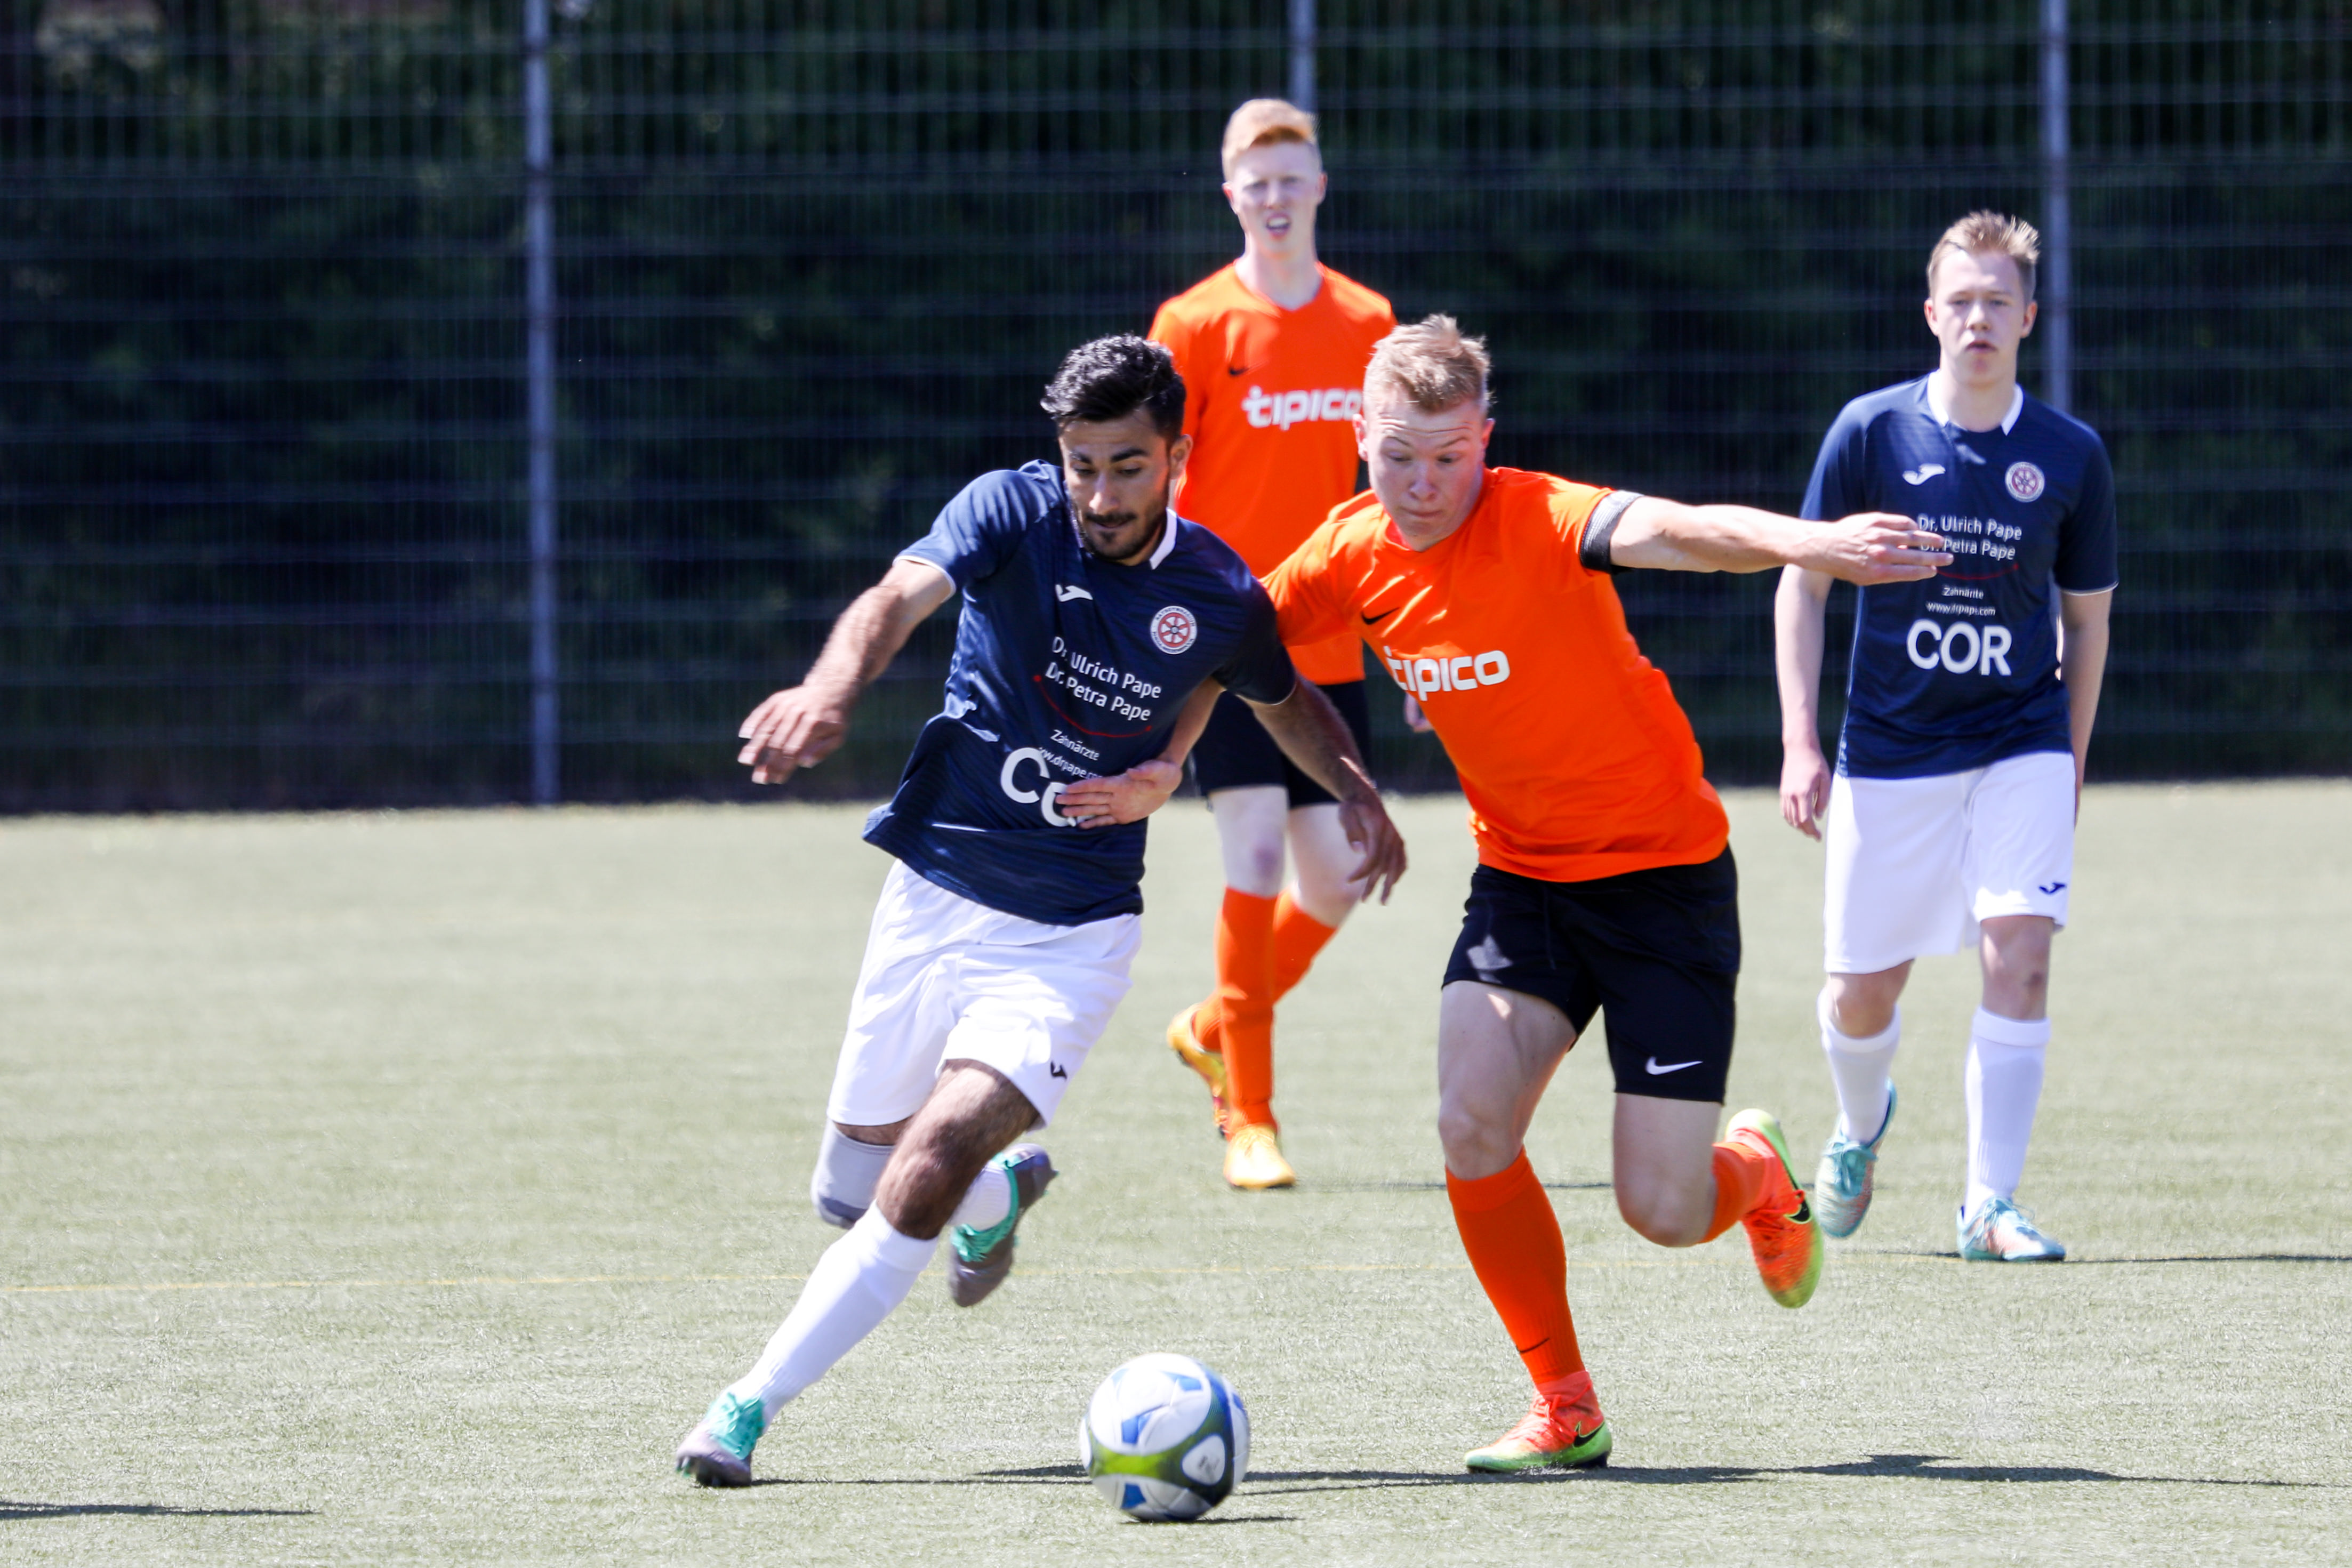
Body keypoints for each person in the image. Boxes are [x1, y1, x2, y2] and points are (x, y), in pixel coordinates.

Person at [673, 336, 1406, 1487]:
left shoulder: (1218, 593)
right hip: (932, 893)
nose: (1101, 496)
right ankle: (996, 1194)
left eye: (1128, 467)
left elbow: (1281, 695)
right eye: (1083, 465)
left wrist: (1358, 791)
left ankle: (744, 1407)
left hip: (1069, 933)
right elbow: (895, 597)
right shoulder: (1009, 513)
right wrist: (828, 688)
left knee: (925, 1160)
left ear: (1177, 457)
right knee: (849, 1194)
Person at [1261, 315, 1949, 1471]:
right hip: (1522, 882)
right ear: (1360, 439)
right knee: (1469, 1121)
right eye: (1399, 455)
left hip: (1663, 884)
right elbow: (1228, 644)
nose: (1423, 483)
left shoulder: (1542, 516)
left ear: (1486, 439)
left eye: (1448, 456)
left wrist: (1813, 543)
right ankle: (1566, 1403)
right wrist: (1315, 777)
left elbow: (1681, 532)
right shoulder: (1346, 552)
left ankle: (1755, 1172)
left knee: (1664, 1211)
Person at [1775, 211, 2116, 1264]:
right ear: (1931, 314)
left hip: (2020, 740)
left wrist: (2070, 758)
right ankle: (1859, 1122)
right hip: (1890, 750)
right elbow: (1801, 586)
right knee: (1860, 994)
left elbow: (2086, 623)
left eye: (1997, 302)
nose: (1978, 319)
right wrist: (1799, 741)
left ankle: (1988, 1204)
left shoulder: (2069, 454)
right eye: (1960, 301)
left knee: (2020, 958)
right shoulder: (1870, 432)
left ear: (2028, 317)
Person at [1146, 98, 1397, 1189]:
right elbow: (1155, 479)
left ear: (1321, 187)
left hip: (1332, 642)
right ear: (1231, 196)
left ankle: (1214, 1022)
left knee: (1337, 880)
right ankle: (1249, 1117)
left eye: (1293, 179)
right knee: (1251, 858)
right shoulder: (1193, 322)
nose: (1277, 198)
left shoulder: (1369, 321)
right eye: (1258, 183)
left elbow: (1396, 490)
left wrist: (1408, 635)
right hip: (1228, 642)